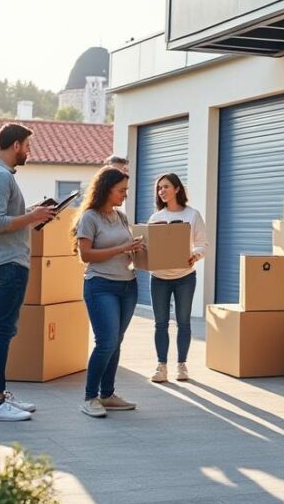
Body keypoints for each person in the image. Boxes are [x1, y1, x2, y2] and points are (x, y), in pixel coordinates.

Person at [0, 123, 57, 421]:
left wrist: (32, 212)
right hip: (7, 261)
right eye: (27, 146)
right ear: (15, 146)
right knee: (2, 330)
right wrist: (33, 216)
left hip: (1, 259)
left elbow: (1, 217)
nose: (29, 151)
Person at [73, 167, 144, 417]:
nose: (125, 194)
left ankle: (108, 394)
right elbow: (86, 255)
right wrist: (122, 247)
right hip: (100, 285)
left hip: (128, 285)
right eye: (121, 190)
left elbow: (126, 248)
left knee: (116, 342)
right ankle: (89, 397)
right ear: (107, 189)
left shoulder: (121, 217)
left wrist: (138, 249)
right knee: (106, 342)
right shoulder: (90, 218)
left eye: (126, 189)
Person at [146, 172, 209, 383]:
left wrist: (195, 255)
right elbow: (148, 247)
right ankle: (161, 366)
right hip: (159, 278)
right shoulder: (155, 218)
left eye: (166, 187)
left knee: (183, 322)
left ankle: (182, 365)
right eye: (159, 188)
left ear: (177, 189)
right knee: (160, 324)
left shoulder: (193, 215)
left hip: (185, 277)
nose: (162, 191)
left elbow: (203, 243)